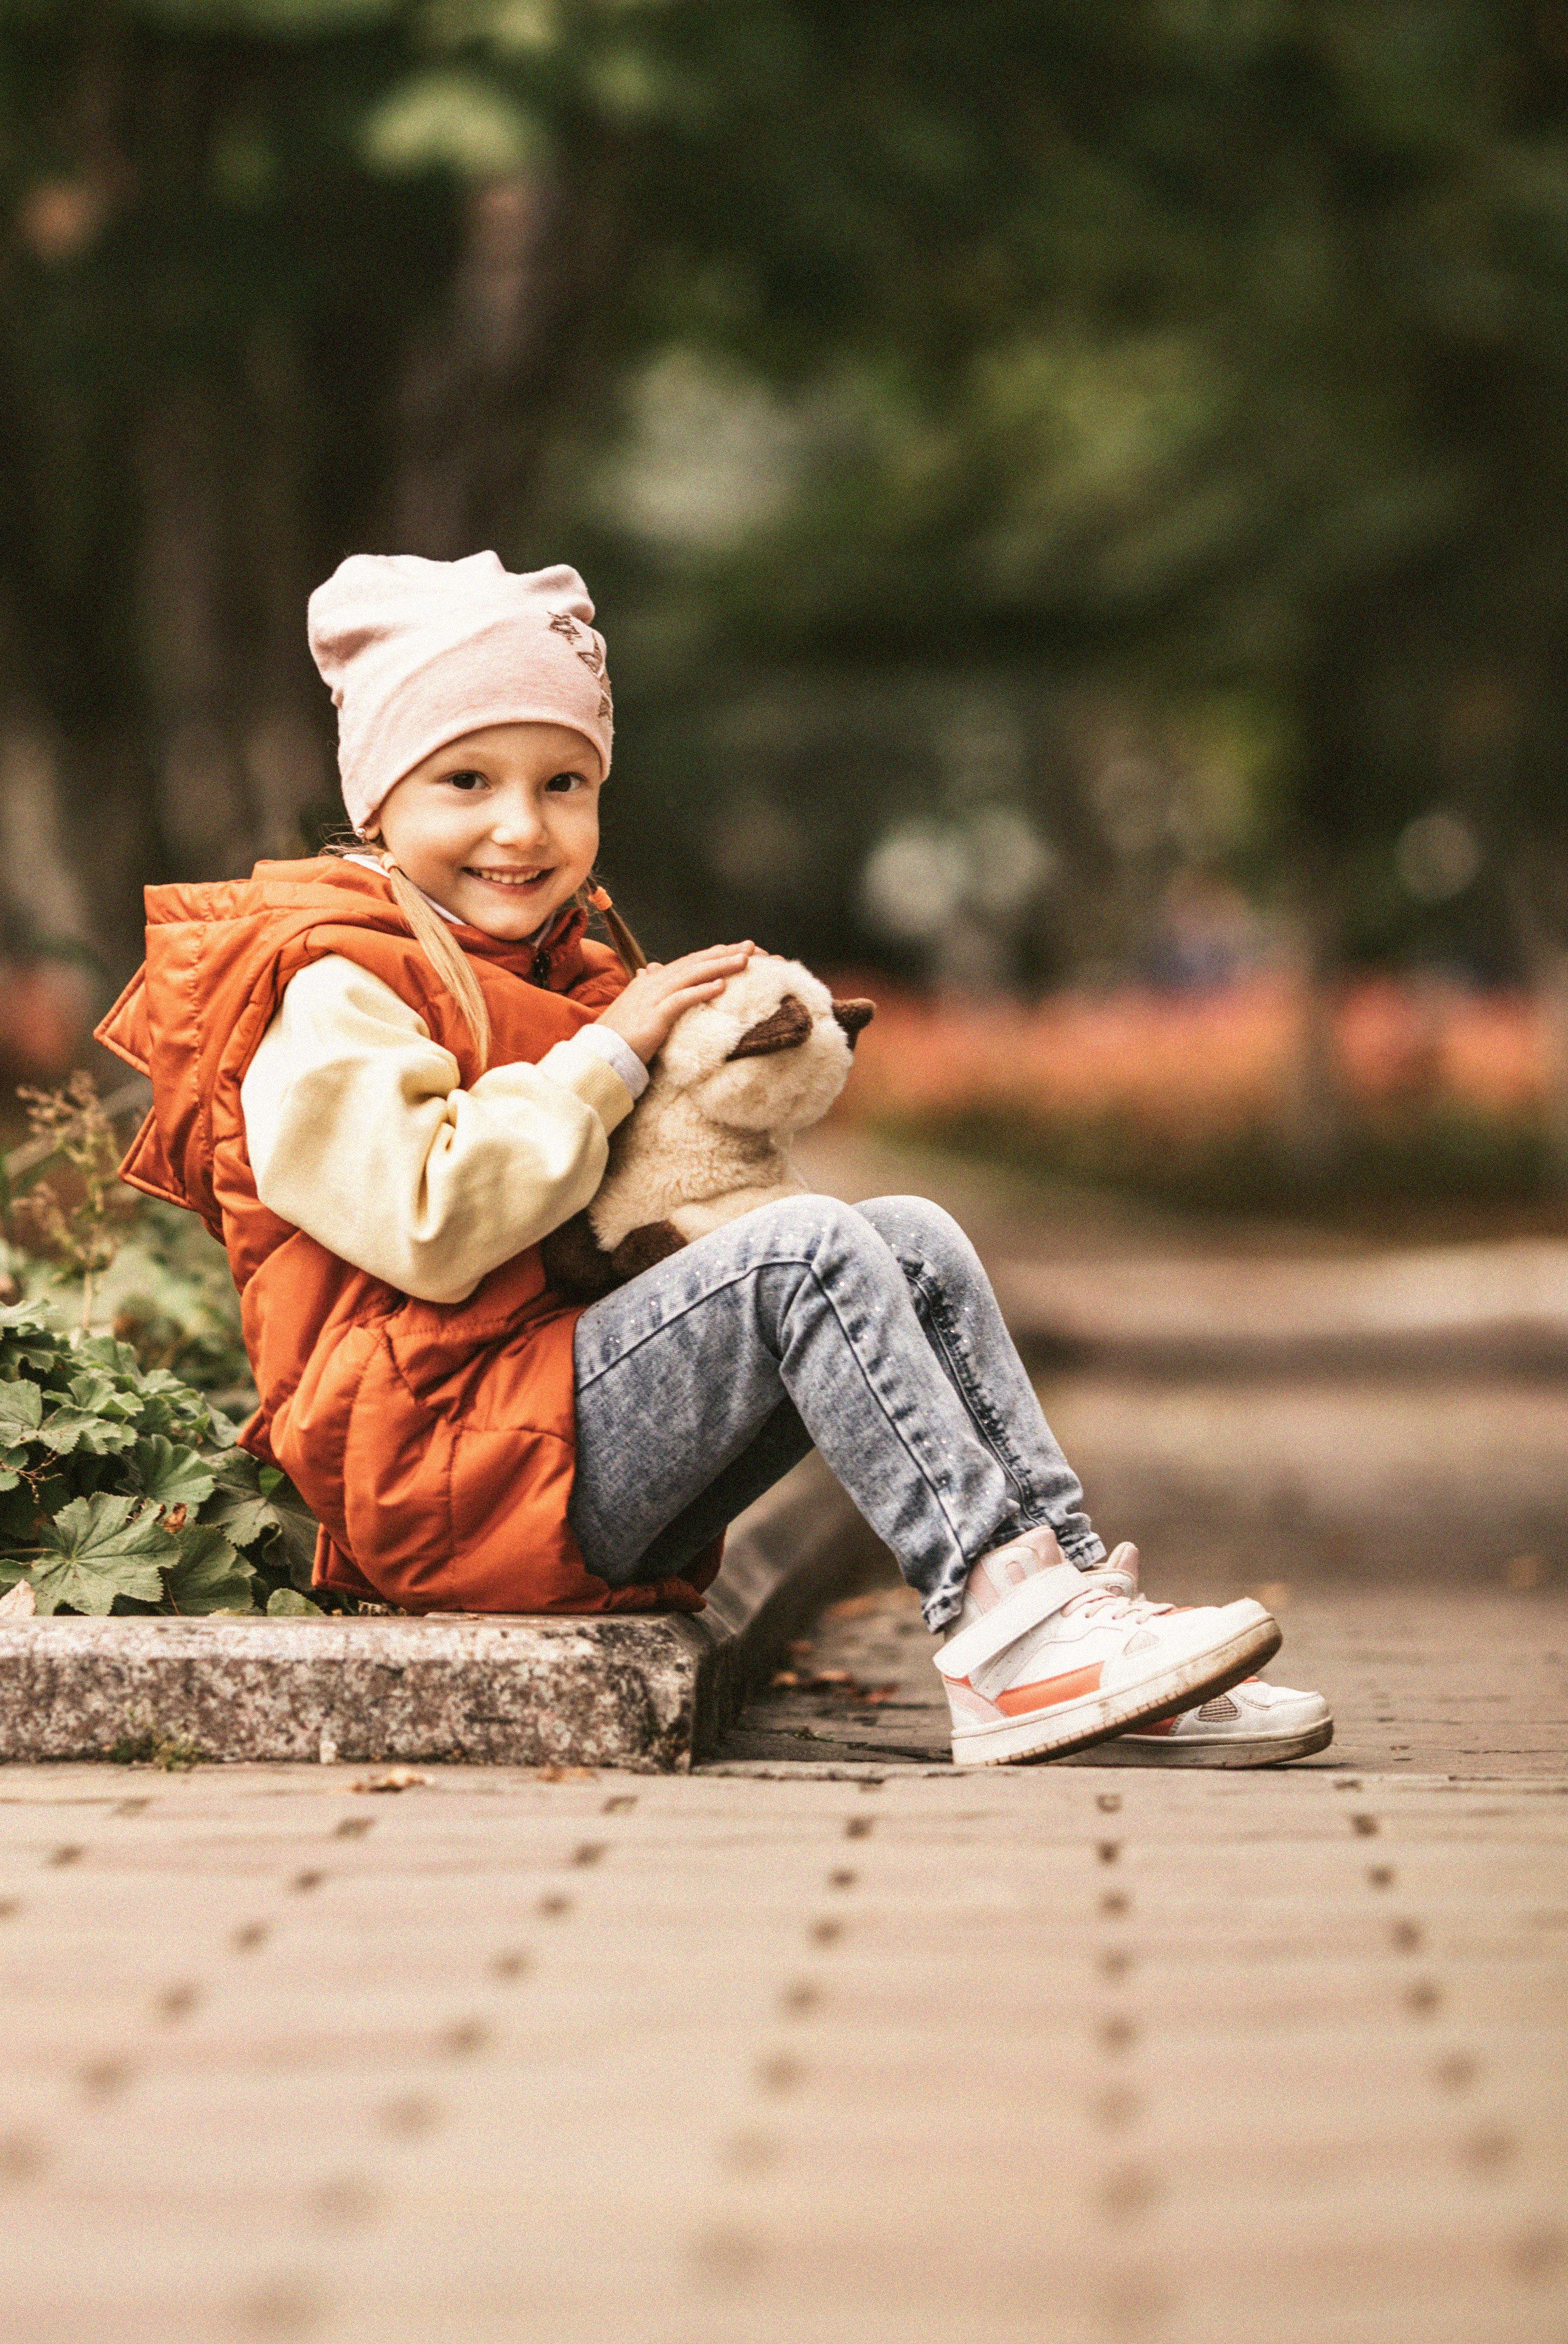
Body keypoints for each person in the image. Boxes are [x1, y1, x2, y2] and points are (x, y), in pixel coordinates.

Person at [99, 551, 1331, 1769]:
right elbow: (431, 1221)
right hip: (437, 1474)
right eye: (466, 779)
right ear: (378, 801)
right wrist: (611, 1058)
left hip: (542, 1432)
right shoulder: (328, 987)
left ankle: (1069, 1610)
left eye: (565, 783)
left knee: (907, 1239)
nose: (522, 826)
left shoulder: (558, 966)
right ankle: (1002, 1635)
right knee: (804, 1254)